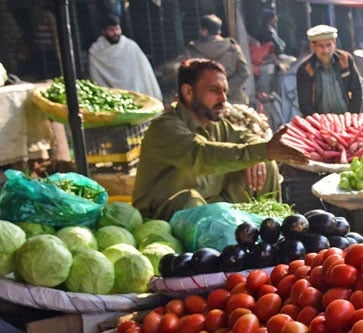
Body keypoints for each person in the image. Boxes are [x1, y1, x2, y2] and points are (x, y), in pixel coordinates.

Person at [132, 58, 308, 221]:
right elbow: (202, 155)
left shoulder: (216, 125)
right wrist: (262, 151)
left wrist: (259, 152)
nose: (223, 99)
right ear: (188, 92)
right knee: (190, 200)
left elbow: (246, 137)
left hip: (209, 205)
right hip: (163, 214)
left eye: (225, 91)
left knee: (265, 165)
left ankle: (273, 227)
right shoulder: (164, 128)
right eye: (215, 90)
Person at [89, 14, 162, 101]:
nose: (115, 33)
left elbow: (145, 73)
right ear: (104, 32)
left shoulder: (131, 46)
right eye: (111, 30)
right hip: (114, 98)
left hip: (136, 92)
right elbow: (96, 78)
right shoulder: (96, 51)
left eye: (117, 29)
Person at [295, 24, 362, 116]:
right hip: (320, 122)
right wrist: (319, 123)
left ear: (334, 43)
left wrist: (351, 116)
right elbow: (305, 104)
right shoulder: (305, 69)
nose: (326, 50)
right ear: (313, 46)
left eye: (328, 45)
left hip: (346, 118)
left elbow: (357, 91)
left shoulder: (346, 59)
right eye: (321, 46)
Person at [185, 14, 250, 105]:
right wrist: (225, 89)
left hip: (205, 104)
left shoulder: (193, 50)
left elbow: (188, 76)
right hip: (234, 102)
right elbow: (244, 72)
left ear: (204, 31)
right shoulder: (232, 47)